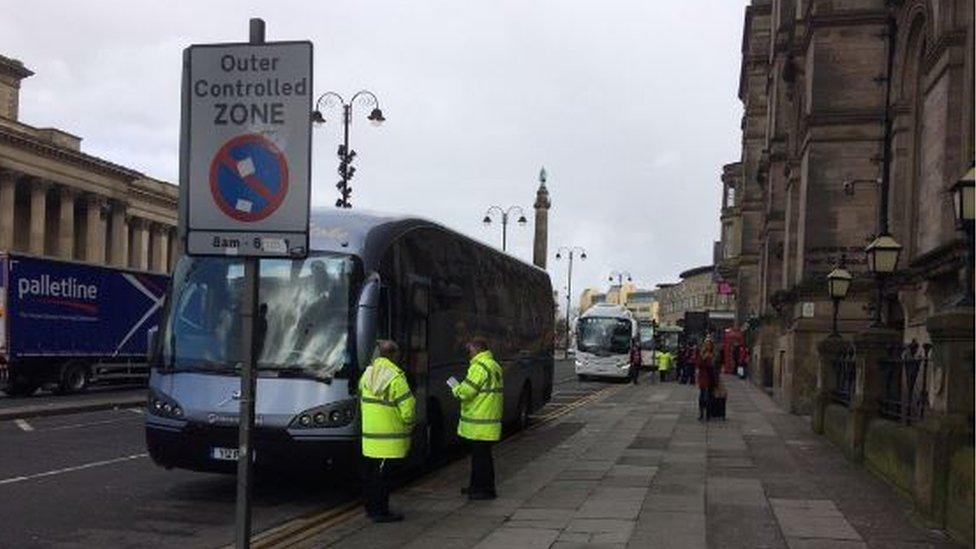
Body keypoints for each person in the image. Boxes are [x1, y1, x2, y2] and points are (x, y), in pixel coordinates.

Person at [359, 340, 415, 523]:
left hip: (370, 438)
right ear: (394, 355)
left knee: (371, 476)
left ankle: (370, 508)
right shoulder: (396, 378)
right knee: (383, 479)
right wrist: (409, 424)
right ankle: (380, 512)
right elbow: (408, 410)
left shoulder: (367, 374)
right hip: (389, 440)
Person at [452, 337, 504, 500]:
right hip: (488, 420)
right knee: (481, 457)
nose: (469, 354)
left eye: (470, 350)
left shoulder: (479, 367)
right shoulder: (493, 365)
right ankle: (476, 487)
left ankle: (485, 490)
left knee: (481, 459)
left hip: (479, 422)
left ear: (476, 350)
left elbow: (466, 392)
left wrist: (455, 386)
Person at [697, 338, 715, 421]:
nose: (708, 345)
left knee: (709, 396)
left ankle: (708, 414)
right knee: (702, 395)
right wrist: (704, 358)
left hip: (711, 376)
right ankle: (701, 413)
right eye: (706, 344)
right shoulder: (702, 353)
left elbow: (716, 365)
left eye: (709, 344)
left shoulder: (713, 354)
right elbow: (699, 364)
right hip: (703, 376)